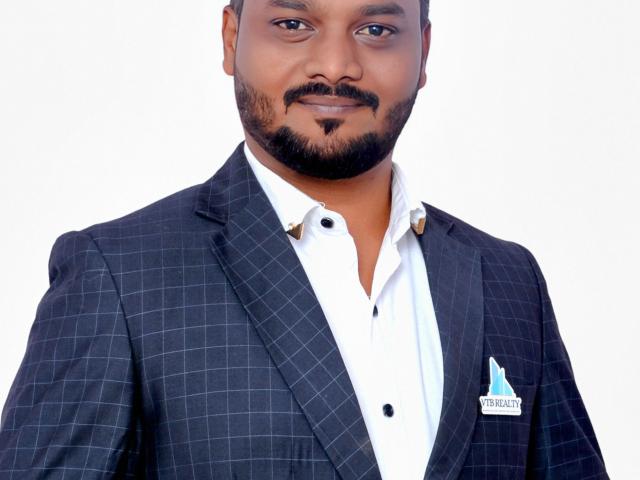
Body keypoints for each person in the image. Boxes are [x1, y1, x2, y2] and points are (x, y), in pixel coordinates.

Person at [0, 0, 608, 478]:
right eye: (293, 24)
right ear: (231, 38)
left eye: (376, 30)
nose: (335, 65)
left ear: (423, 51)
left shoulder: (508, 280)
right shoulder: (119, 277)